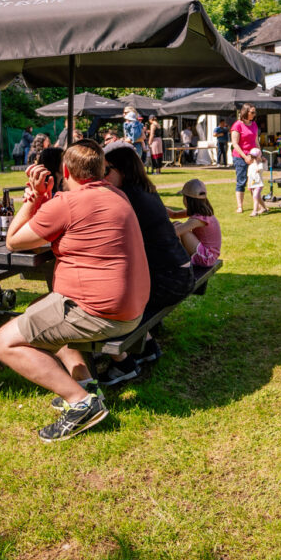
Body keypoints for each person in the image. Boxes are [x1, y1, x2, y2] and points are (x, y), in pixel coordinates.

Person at [0, 140, 149, 442]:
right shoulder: (116, 194)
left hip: (100, 313)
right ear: (103, 170)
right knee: (46, 307)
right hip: (131, 309)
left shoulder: (65, 204)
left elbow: (12, 241)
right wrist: (47, 201)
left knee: (4, 342)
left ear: (65, 170)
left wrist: (34, 199)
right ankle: (87, 384)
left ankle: (81, 403)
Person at [97, 145, 196, 385]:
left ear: (121, 170)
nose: (102, 176)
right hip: (179, 274)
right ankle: (147, 347)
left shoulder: (127, 198)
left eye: (106, 170)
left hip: (168, 282)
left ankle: (124, 364)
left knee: (103, 303)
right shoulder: (144, 190)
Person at [170, 178, 221, 267]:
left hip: (207, 257)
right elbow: (174, 214)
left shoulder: (199, 219)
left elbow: (174, 233)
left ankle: (179, 260)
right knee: (177, 224)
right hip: (207, 254)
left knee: (181, 229)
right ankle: (178, 258)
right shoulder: (201, 212)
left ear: (187, 200)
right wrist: (157, 206)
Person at [230, 105, 259, 213]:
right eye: (252, 112)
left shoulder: (254, 124)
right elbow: (235, 144)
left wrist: (259, 154)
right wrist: (245, 156)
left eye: (254, 112)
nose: (254, 114)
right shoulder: (237, 125)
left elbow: (256, 142)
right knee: (241, 181)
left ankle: (257, 206)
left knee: (255, 181)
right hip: (240, 157)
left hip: (253, 156)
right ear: (245, 112)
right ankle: (240, 206)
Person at [247, 148, 268, 216]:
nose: (253, 159)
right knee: (258, 197)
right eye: (252, 157)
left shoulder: (260, 165)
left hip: (259, 184)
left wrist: (257, 162)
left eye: (254, 157)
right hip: (253, 184)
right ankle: (264, 208)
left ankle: (255, 211)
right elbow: (249, 177)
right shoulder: (250, 166)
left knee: (255, 197)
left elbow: (258, 170)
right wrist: (248, 185)